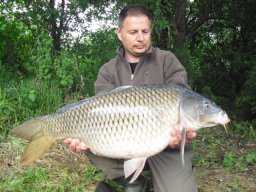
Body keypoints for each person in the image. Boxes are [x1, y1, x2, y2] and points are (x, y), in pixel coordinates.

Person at [64, 4, 198, 192]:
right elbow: (101, 116)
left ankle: (171, 174)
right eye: (133, 32)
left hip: (165, 146)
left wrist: (183, 131)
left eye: (145, 31)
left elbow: (185, 99)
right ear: (119, 33)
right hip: (122, 143)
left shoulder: (167, 61)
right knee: (88, 133)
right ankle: (132, 182)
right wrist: (81, 136)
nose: (141, 38)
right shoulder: (108, 71)